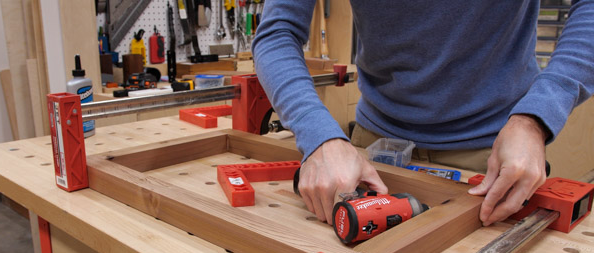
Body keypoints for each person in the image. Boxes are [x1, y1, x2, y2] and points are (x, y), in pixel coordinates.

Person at [252, 1, 594, 226]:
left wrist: (535, 118)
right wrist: (320, 137)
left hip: (495, 154)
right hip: (373, 150)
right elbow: (276, 32)